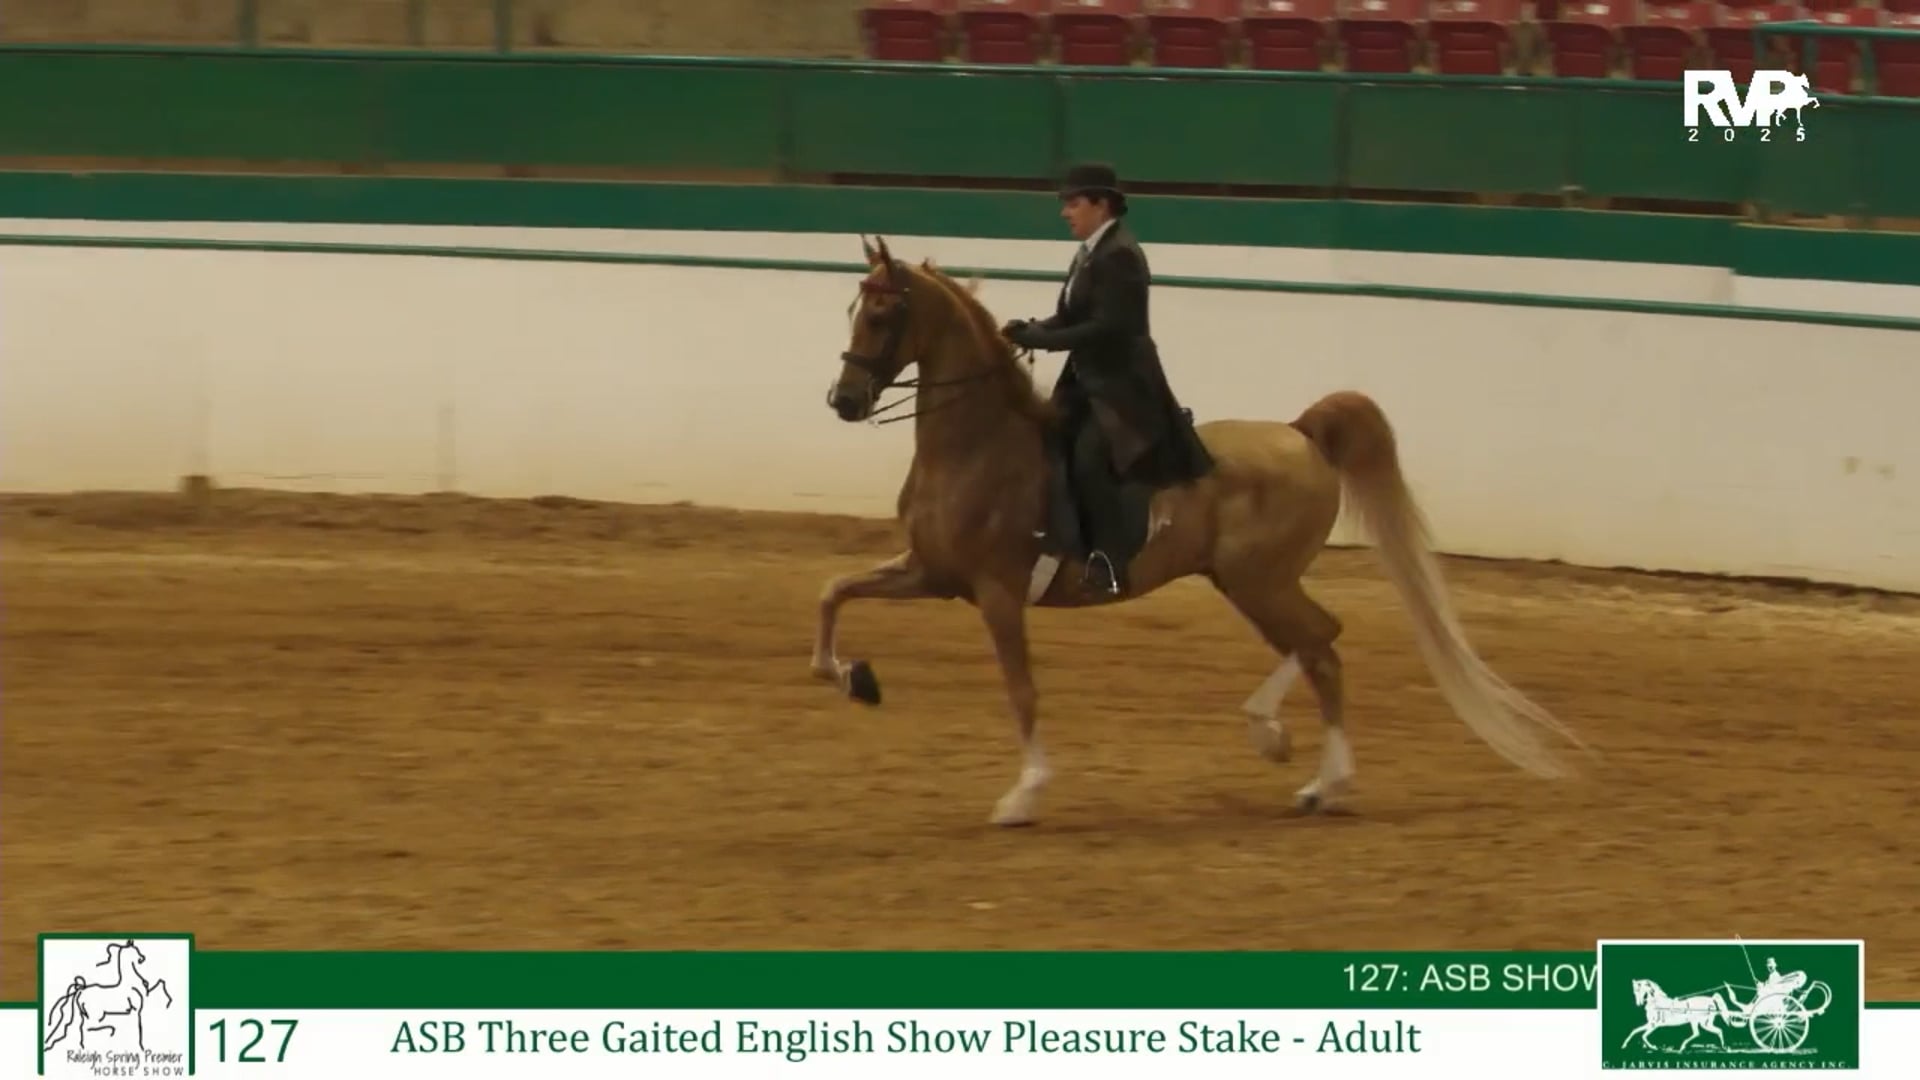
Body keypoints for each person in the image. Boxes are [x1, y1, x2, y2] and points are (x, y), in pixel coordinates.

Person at [1001, 162, 1213, 595]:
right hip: (1088, 384)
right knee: (1039, 439)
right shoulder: (1089, 253)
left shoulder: (1121, 254)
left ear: (1102, 205)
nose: (1065, 212)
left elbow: (1108, 326)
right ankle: (1057, 537)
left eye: (1073, 203)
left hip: (1122, 388)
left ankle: (1109, 559)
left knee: (1089, 457)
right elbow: (1070, 317)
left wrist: (1044, 340)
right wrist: (1030, 328)